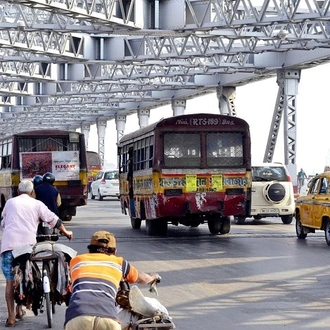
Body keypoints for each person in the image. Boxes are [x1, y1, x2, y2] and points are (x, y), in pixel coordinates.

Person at [0, 179, 73, 327]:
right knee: (26, 275)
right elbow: (54, 220)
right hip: (27, 248)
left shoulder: (10, 203)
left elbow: (3, 223)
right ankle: (21, 307)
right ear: (32, 192)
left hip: (8, 246)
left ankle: (12, 316)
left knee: (9, 282)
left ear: (18, 192)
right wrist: (66, 232)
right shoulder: (37, 204)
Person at [64, 230, 160, 330]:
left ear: (89, 250)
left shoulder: (76, 261)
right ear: (115, 252)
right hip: (107, 316)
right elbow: (142, 278)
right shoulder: (119, 262)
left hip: (77, 316)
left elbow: (72, 288)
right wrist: (153, 277)